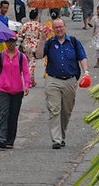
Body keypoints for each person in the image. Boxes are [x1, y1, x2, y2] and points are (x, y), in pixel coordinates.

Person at [37, 17, 89, 148]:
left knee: (66, 111)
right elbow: (38, 55)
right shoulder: (49, 43)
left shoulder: (73, 42)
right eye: (56, 27)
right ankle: (56, 140)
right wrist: (42, 40)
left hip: (70, 81)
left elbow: (82, 57)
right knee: (54, 109)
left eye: (61, 27)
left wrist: (86, 72)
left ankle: (62, 135)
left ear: (65, 27)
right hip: (53, 80)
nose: (59, 29)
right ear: (53, 30)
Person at [0, 33, 30, 148]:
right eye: (8, 41)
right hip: (3, 89)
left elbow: (26, 72)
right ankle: (0, 138)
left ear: (16, 42)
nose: (11, 44)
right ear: (5, 42)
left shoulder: (21, 57)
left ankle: (10, 140)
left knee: (13, 115)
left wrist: (27, 85)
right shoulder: (0, 56)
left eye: (13, 41)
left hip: (17, 90)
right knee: (4, 112)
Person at [18, 8, 43, 86]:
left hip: (26, 45)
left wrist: (26, 35)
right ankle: (28, 81)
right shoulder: (38, 25)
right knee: (32, 64)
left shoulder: (26, 25)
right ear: (36, 17)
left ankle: (32, 81)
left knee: (28, 62)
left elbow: (19, 34)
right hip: (35, 46)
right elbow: (42, 35)